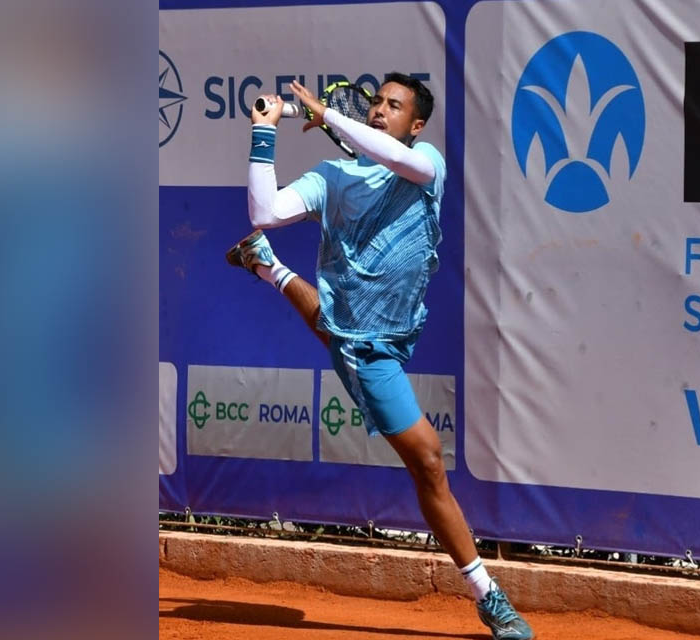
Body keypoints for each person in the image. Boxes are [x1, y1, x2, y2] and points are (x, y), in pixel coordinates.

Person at [226, 73, 533, 640]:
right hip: (373, 348)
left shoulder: (426, 166)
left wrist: (322, 114)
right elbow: (265, 208)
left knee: (340, 334)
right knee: (427, 461)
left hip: (395, 330)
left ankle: (267, 266)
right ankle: (490, 596)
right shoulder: (333, 175)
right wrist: (264, 131)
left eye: (393, 106)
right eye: (375, 103)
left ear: (416, 126)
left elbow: (391, 156)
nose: (378, 111)